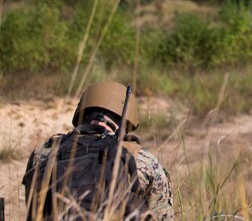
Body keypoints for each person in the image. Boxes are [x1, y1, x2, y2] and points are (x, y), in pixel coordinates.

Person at [22, 81, 175, 220]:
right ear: (128, 119)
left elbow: (34, 211)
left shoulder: (43, 152)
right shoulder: (145, 162)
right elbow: (162, 216)